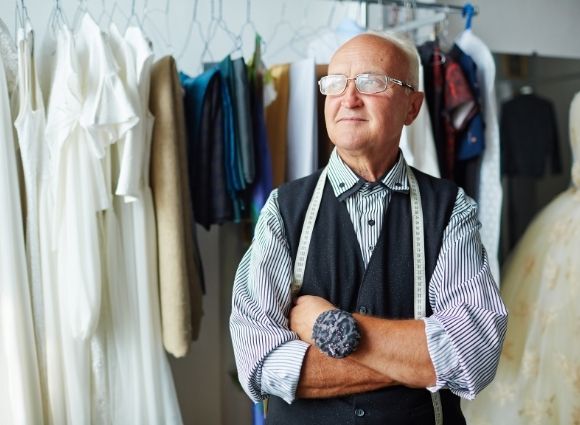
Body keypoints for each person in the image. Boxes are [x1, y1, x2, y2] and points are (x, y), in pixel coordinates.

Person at [230, 33, 508, 425]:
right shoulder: (283, 209)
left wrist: (323, 326)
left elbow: (473, 354)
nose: (349, 98)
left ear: (412, 106)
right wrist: (415, 361)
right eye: (336, 83)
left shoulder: (450, 209)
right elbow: (260, 364)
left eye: (370, 82)